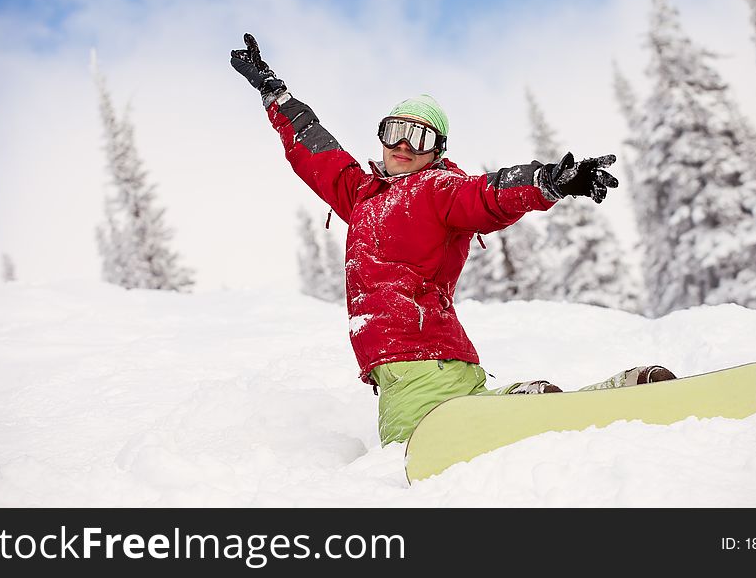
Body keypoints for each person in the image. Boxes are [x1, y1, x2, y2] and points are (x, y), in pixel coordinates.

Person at [230, 33, 676, 446]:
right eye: (394, 132)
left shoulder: (437, 189)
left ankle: (515, 403)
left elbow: (487, 196)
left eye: (419, 136)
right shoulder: (360, 195)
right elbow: (315, 151)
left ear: (437, 149)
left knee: (410, 455)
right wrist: (274, 93)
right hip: (430, 362)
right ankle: (602, 393)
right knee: (471, 433)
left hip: (418, 360)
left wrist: (545, 181)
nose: (403, 145)